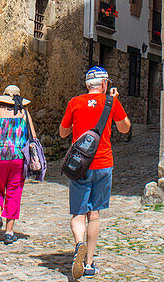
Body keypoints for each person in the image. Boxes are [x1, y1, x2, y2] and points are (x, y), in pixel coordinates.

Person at [60, 66, 131, 279]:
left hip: (79, 166)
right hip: (103, 163)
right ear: (104, 84)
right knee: (95, 214)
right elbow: (125, 128)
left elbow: (63, 133)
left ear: (87, 84)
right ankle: (89, 263)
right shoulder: (111, 102)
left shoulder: (75, 102)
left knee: (78, 214)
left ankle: (79, 242)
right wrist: (113, 103)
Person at [0, 84, 37, 245]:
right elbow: (33, 137)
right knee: (14, 191)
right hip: (18, 157)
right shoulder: (24, 114)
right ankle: (9, 232)